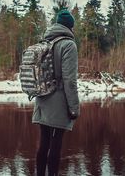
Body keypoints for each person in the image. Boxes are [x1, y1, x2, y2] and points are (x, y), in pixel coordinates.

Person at [32, 9, 80, 176]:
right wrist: (74, 108)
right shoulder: (69, 45)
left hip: (42, 97)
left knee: (44, 141)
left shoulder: (45, 41)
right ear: (70, 27)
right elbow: (70, 81)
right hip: (59, 99)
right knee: (56, 142)